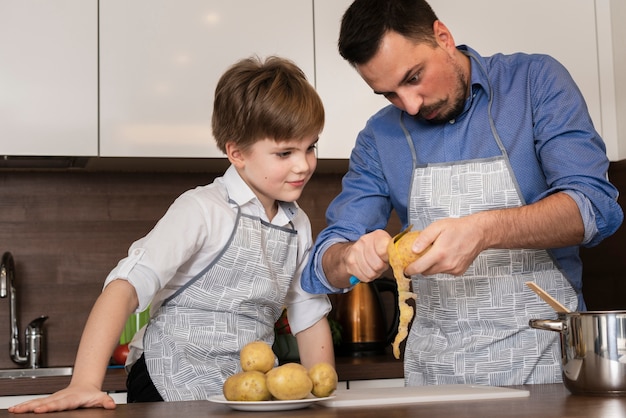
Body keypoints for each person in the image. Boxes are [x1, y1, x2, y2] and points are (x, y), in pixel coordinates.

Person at [301, 0, 623, 387]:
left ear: (443, 36)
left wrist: (483, 230)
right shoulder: (378, 137)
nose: (411, 105)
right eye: (388, 94)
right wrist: (350, 257)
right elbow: (324, 264)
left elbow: (594, 207)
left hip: (545, 369)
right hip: (433, 379)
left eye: (414, 77)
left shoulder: (534, 82)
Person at [10, 56, 333, 413]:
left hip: (243, 386)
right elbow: (125, 288)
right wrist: (85, 382)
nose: (303, 165)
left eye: (310, 147)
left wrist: (324, 389)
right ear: (236, 152)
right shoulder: (202, 209)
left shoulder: (297, 225)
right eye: (285, 152)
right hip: (167, 374)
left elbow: (308, 312)